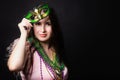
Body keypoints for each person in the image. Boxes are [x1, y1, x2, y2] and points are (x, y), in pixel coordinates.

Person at [6, 2, 68, 80]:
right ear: (32, 26)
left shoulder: (56, 47)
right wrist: (24, 34)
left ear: (54, 26)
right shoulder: (27, 47)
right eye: (38, 24)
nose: (43, 30)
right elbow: (13, 66)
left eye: (48, 24)